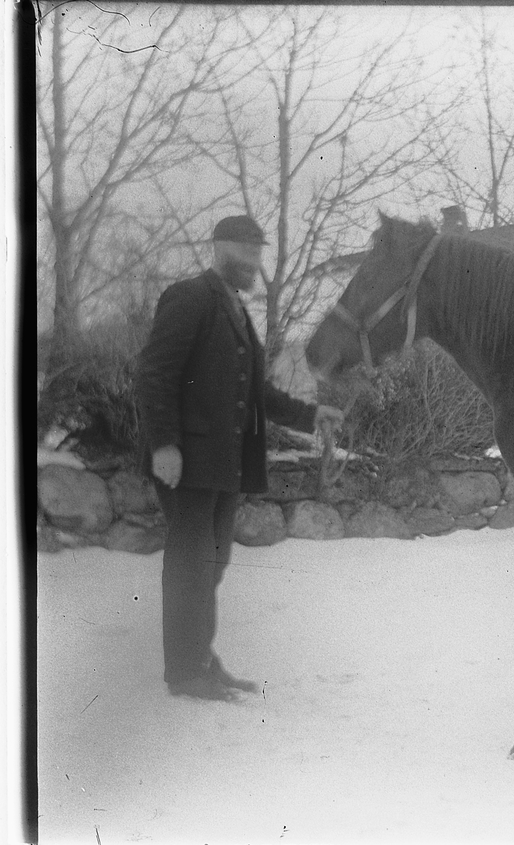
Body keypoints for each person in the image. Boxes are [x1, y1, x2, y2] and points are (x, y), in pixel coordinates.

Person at [135, 215, 344, 701]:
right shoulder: (190, 296)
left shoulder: (233, 308)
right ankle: (184, 672)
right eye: (247, 252)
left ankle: (200, 657)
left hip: (223, 464)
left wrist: (311, 414)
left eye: (258, 251)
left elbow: (256, 392)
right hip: (186, 460)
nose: (255, 262)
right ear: (221, 248)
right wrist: (164, 444)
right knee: (191, 564)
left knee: (213, 562)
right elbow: (154, 374)